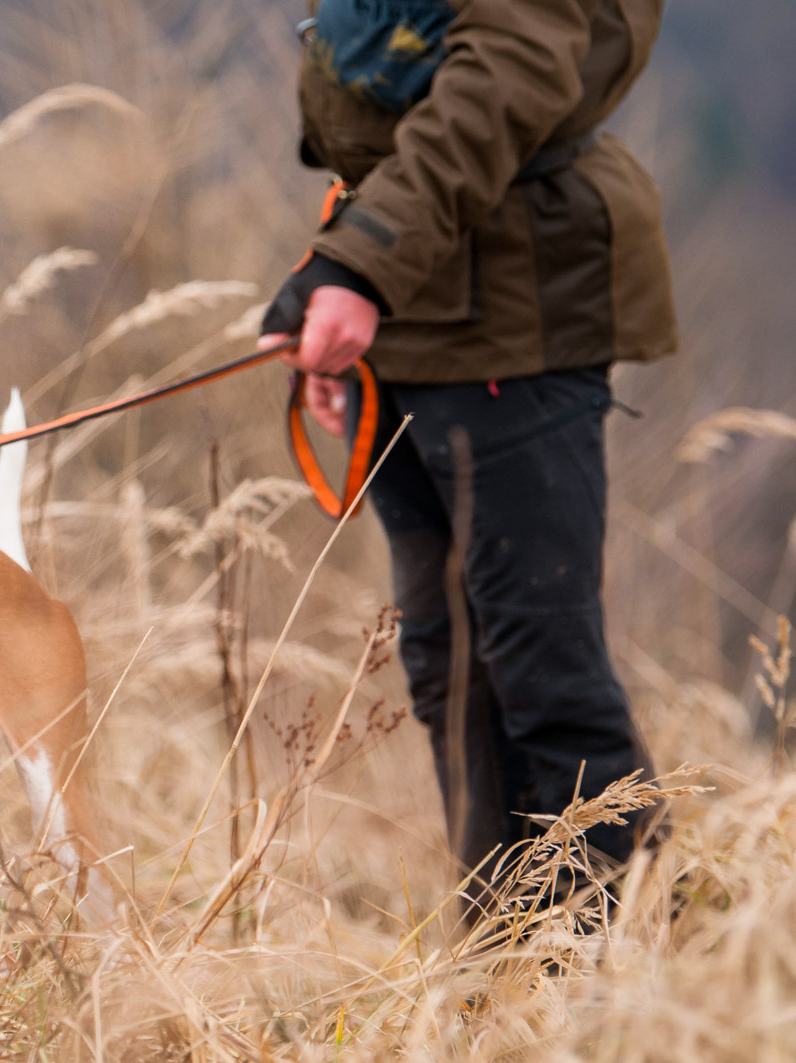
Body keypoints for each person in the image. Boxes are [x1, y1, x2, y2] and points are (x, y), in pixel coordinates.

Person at [257, 0, 677, 889]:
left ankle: (645, 981)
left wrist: (358, 269)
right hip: (418, 308)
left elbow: (504, 83)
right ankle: (503, 981)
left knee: (542, 668)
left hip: (518, 315)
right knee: (453, 673)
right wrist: (343, 283)